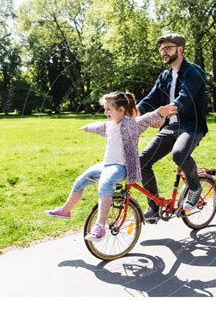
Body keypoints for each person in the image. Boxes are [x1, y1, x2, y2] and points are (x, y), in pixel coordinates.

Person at [44, 91, 177, 242]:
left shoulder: (130, 124)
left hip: (122, 167)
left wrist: (160, 112)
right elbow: (97, 126)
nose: (105, 112)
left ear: (120, 110)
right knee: (80, 181)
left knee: (105, 184)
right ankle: (65, 210)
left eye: (108, 109)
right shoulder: (108, 126)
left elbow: (145, 119)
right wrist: (85, 127)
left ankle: (100, 226)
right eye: (105, 108)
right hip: (107, 165)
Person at [137, 33, 209, 223]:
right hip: (172, 126)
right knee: (141, 161)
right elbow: (150, 98)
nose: (164, 52)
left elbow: (184, 98)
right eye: (162, 49)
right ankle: (154, 207)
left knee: (179, 154)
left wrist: (160, 114)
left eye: (168, 48)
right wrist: (133, 112)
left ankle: (195, 187)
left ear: (180, 49)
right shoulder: (165, 75)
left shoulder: (194, 72)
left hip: (192, 125)